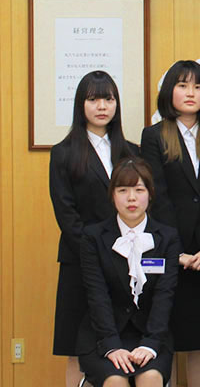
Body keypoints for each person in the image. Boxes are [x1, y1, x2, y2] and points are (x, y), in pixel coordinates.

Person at [140, 60, 200, 387]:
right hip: (169, 253)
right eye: (182, 85)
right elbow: (157, 197)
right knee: (168, 333)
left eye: (197, 86)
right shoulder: (153, 136)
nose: (190, 93)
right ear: (170, 91)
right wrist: (177, 252)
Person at [49, 70, 139, 387]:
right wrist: (97, 255)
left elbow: (142, 206)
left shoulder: (132, 151)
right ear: (81, 104)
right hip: (80, 262)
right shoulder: (63, 153)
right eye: (93, 99)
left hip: (127, 261)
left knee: (124, 341)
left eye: (108, 99)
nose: (102, 106)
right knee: (76, 346)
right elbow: (66, 214)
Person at [77, 158, 180, 387]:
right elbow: (97, 295)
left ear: (150, 194)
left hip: (152, 334)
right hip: (103, 335)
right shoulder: (93, 237)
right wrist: (111, 345)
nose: (131, 198)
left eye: (139, 190)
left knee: (150, 377)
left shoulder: (168, 238)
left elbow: (165, 295)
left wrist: (151, 343)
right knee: (115, 379)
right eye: (123, 190)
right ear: (112, 195)